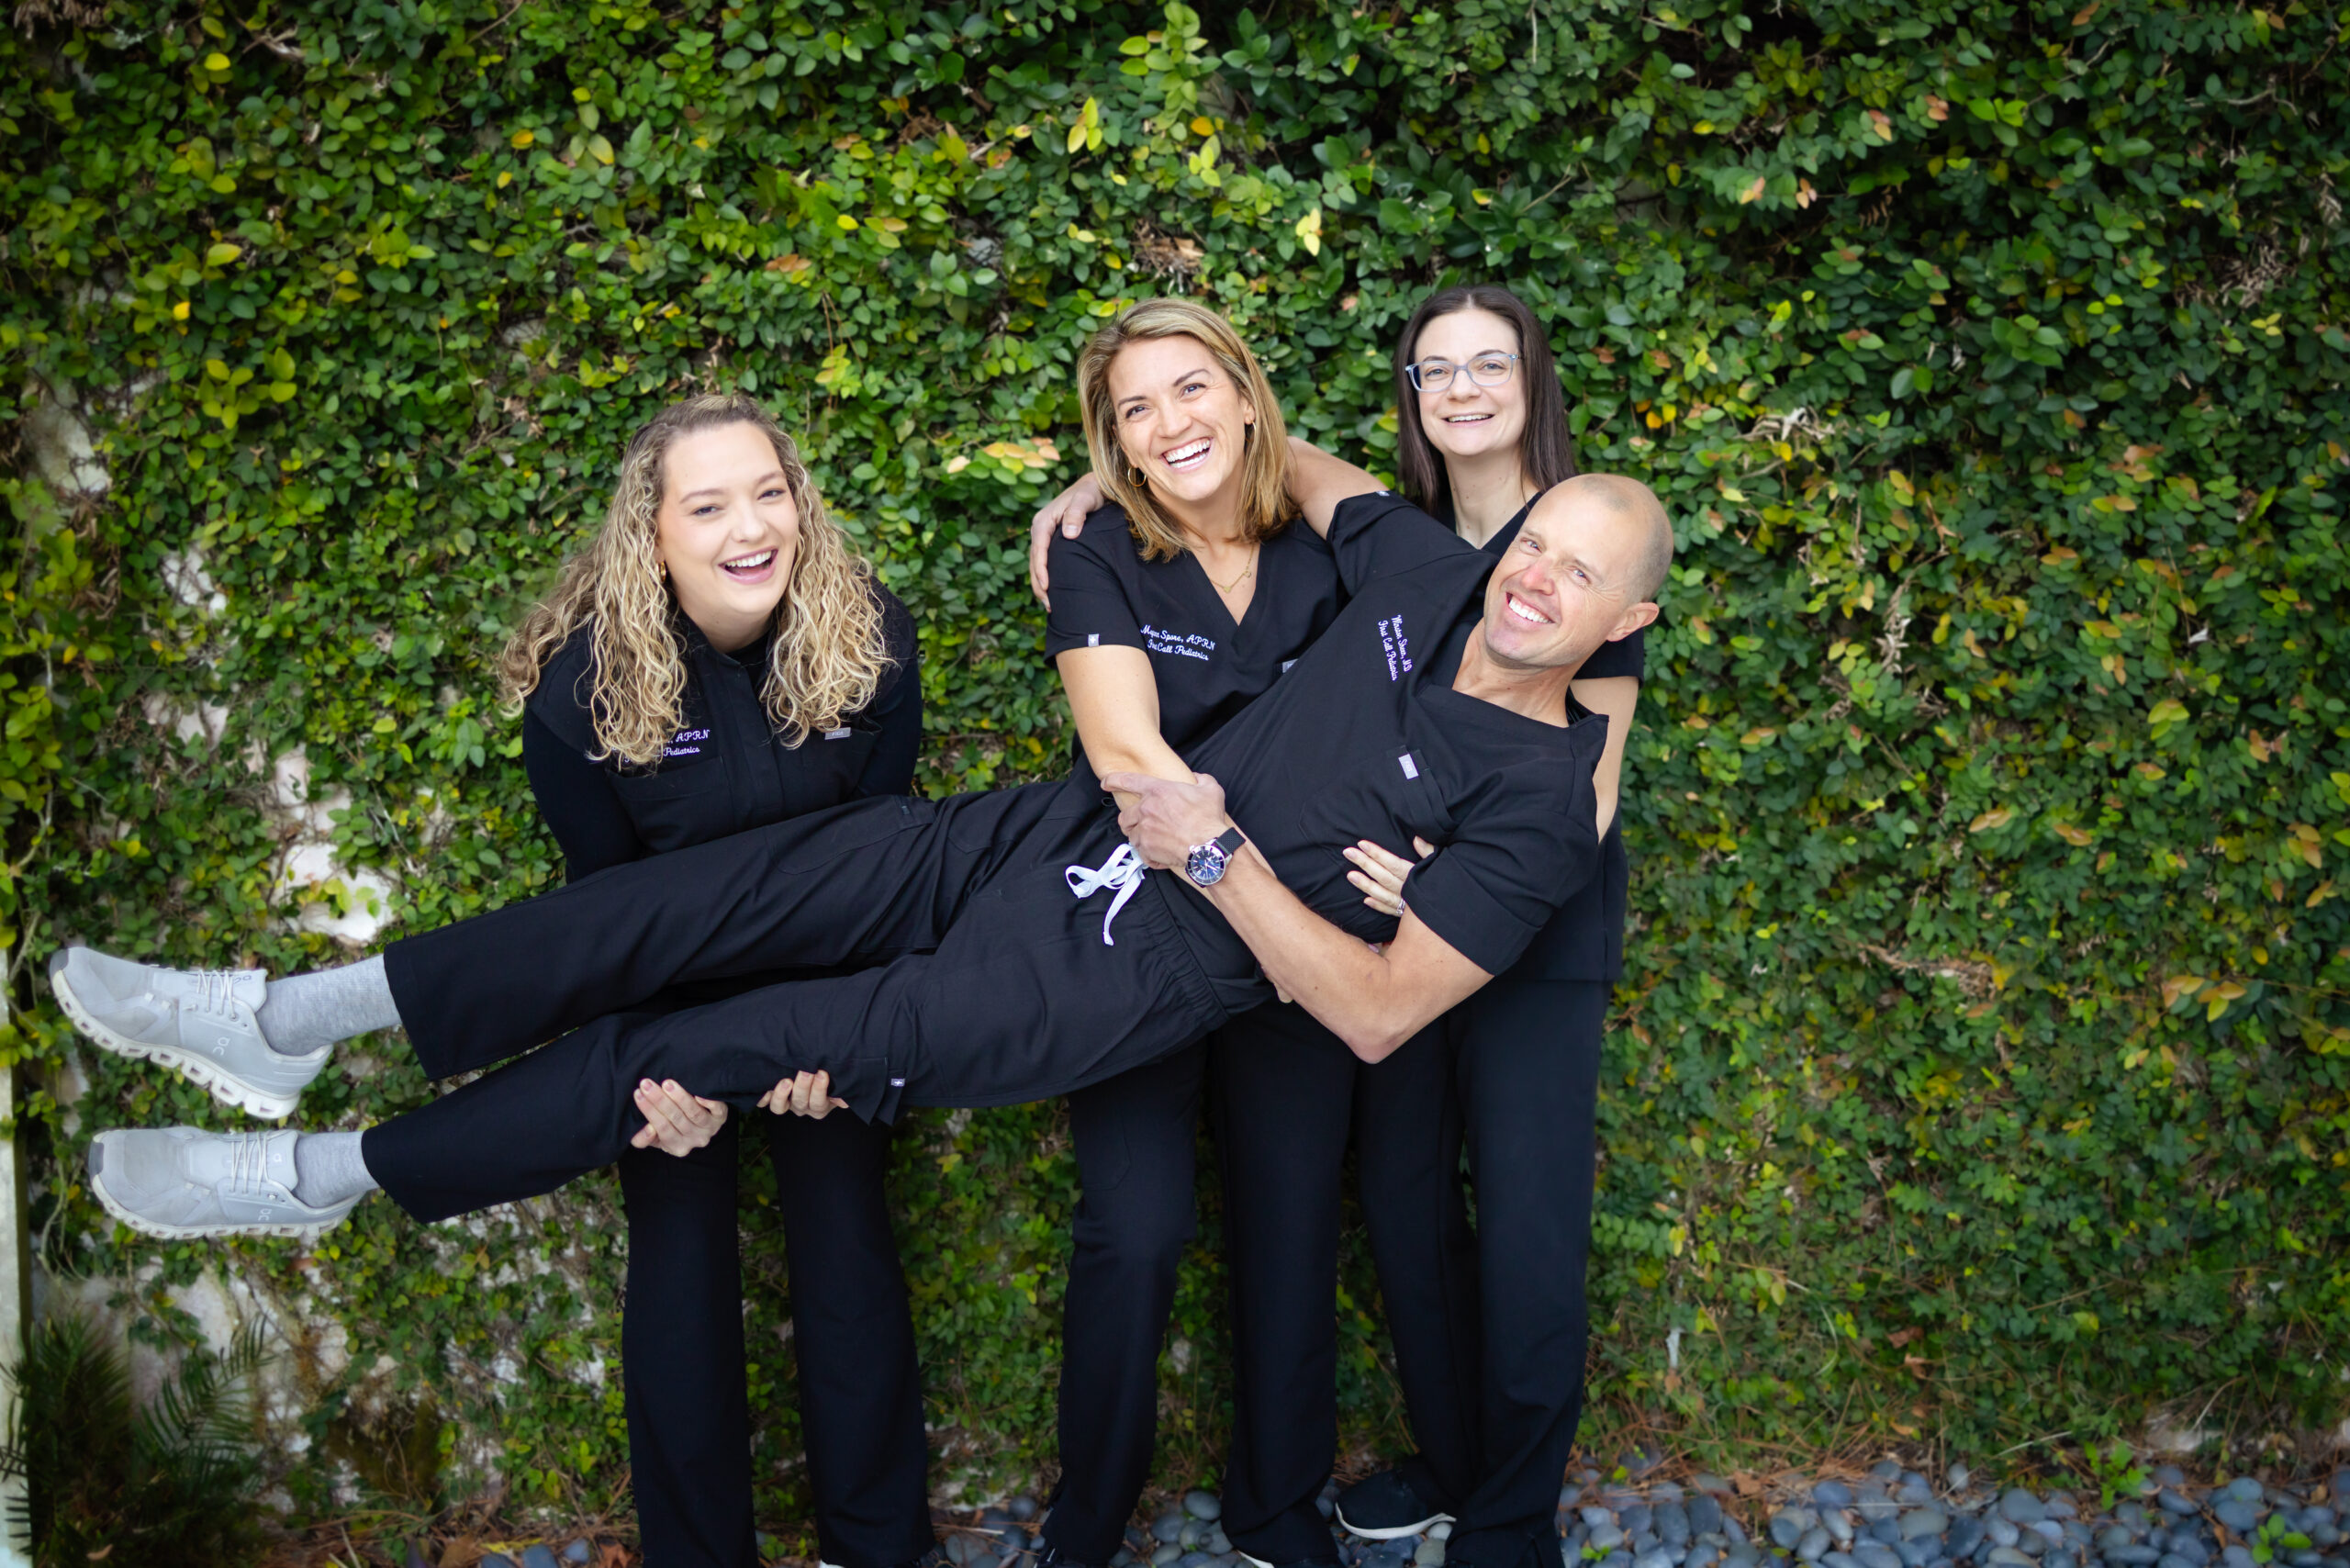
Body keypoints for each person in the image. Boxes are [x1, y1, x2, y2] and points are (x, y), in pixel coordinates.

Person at [62, 464, 1670, 1347]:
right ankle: (283, 1017)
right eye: (1536, 541)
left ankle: (313, 1173)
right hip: (1040, 828)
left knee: (712, 1040)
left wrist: (1223, 854)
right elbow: (1286, 456)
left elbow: (1383, 1012)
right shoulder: (1425, 573)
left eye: (1579, 574)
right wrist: (1091, 495)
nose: (1535, 579)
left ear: (1628, 617)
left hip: (1120, 966)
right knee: (690, 899)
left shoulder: (1542, 810)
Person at [73, 395, 940, 1568]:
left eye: (769, 492)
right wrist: (666, 1081)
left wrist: (840, 1044)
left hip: (838, 1010)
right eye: (709, 503)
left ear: (802, 503)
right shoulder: (586, 690)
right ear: (651, 534)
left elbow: (886, 866)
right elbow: (603, 921)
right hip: (672, 1021)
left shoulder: (868, 637)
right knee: (680, 1266)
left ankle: (877, 1548)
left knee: (847, 1250)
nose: (751, 528)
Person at [1025, 284, 1647, 1568]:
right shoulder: (1399, 539)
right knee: (1288, 1215)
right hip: (1278, 909)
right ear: (1411, 397)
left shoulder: (1570, 559)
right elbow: (1270, 466)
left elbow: (1560, 802)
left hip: (1423, 930)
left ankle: (1478, 1516)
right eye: (1436, 370)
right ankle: (1418, 1470)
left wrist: (1442, 881)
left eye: (1491, 364)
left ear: (1535, 380)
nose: (1464, 389)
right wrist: (1109, 481)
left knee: (1451, 1220)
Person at [1020, 298, 1348, 1568]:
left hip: (1304, 942)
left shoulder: (1332, 544)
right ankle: (1086, 1522)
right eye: (1136, 409)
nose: (1172, 423)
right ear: (1114, 443)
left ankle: (1278, 1507)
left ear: (1247, 392)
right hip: (1146, 930)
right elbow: (1123, 750)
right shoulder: (1101, 545)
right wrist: (1241, 880)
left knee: (1293, 1216)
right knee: (1137, 1227)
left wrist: (1288, 916)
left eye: (1192, 388)